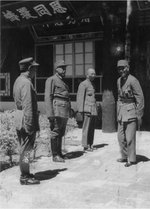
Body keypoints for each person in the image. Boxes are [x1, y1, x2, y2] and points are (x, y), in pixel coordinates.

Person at [13, 57, 40, 185]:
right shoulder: (26, 83)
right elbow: (28, 105)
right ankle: (24, 176)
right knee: (27, 149)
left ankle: (25, 172)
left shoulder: (18, 80)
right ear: (29, 69)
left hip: (19, 117)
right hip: (26, 118)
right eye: (34, 68)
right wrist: (30, 125)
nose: (36, 71)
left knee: (24, 148)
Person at [116, 59, 144, 167]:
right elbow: (119, 96)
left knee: (130, 137)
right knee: (120, 137)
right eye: (119, 68)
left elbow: (140, 98)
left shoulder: (133, 80)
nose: (121, 70)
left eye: (123, 68)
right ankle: (124, 156)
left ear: (127, 68)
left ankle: (131, 159)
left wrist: (139, 114)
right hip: (121, 111)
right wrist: (118, 111)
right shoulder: (118, 80)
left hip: (131, 111)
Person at [45, 60, 70, 163]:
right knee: (55, 132)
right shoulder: (51, 80)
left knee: (61, 132)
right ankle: (55, 155)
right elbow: (48, 97)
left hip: (63, 110)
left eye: (65, 68)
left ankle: (59, 153)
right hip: (56, 111)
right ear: (56, 69)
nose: (64, 70)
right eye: (62, 68)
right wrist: (50, 114)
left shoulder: (62, 81)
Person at [77, 68, 98, 152]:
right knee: (86, 128)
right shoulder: (83, 84)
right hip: (86, 110)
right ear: (87, 75)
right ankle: (85, 146)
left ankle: (91, 144)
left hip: (93, 109)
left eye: (94, 74)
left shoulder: (92, 84)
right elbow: (80, 97)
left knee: (92, 128)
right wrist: (80, 110)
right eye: (92, 74)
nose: (93, 75)